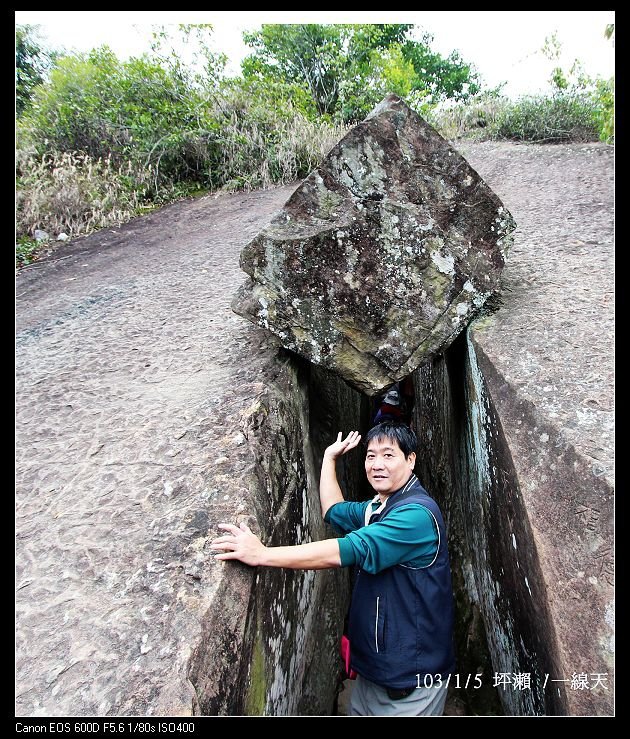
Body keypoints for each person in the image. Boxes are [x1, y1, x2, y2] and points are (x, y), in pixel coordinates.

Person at [211, 421, 455, 716]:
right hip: (374, 673)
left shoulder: (415, 517)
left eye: (388, 455)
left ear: (411, 459)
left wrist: (263, 554)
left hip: (410, 681)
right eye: (370, 456)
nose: (377, 464)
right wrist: (329, 458)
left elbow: (345, 550)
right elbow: (333, 511)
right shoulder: (379, 507)